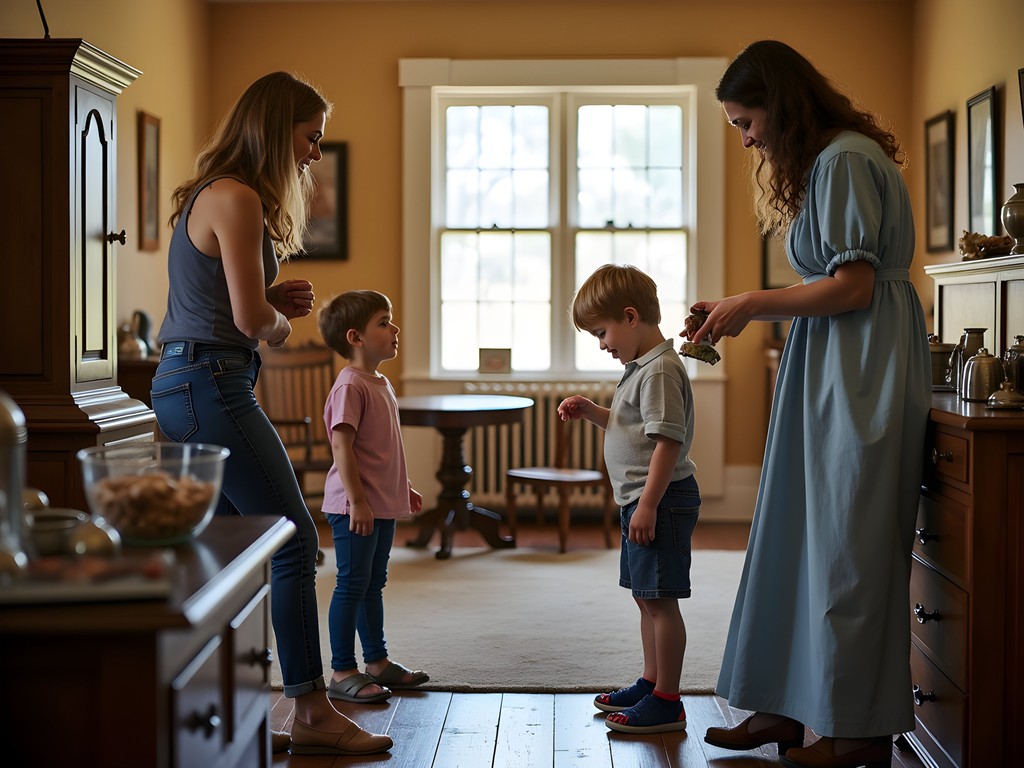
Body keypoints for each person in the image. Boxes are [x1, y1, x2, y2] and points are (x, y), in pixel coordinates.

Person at [690, 41, 931, 768]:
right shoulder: (831, 163)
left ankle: (856, 728)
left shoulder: (848, 159)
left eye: (746, 121)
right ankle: (788, 708)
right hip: (831, 359)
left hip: (863, 365)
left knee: (848, 552)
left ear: (781, 105)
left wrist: (752, 303)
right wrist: (740, 309)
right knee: (796, 538)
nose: (747, 137)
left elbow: (854, 286)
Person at [150, 71, 392, 757]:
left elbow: (228, 303)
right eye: (311, 138)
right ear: (275, 125)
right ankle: (310, 709)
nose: (315, 153)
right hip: (213, 383)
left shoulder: (215, 192)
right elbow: (251, 320)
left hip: (190, 382)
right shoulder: (241, 197)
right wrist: (281, 323)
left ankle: (234, 703)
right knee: (294, 546)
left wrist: (265, 304)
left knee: (235, 556)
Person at [557, 264, 700, 735]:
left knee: (661, 602)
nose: (602, 343)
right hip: (642, 501)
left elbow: (667, 443)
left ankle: (668, 701)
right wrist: (594, 412)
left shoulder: (659, 371)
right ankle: (651, 680)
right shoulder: (641, 368)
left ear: (631, 316)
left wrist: (648, 505)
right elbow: (633, 428)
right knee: (646, 598)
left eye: (602, 331)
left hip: (659, 501)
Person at [316, 290, 429, 703]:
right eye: (384, 322)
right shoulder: (349, 386)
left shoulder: (379, 382)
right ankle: (342, 670)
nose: (394, 328)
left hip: (378, 503)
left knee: (372, 583)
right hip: (354, 506)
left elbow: (383, 448)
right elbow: (342, 448)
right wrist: (358, 502)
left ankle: (377, 662)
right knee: (351, 584)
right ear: (356, 337)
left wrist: (403, 487)